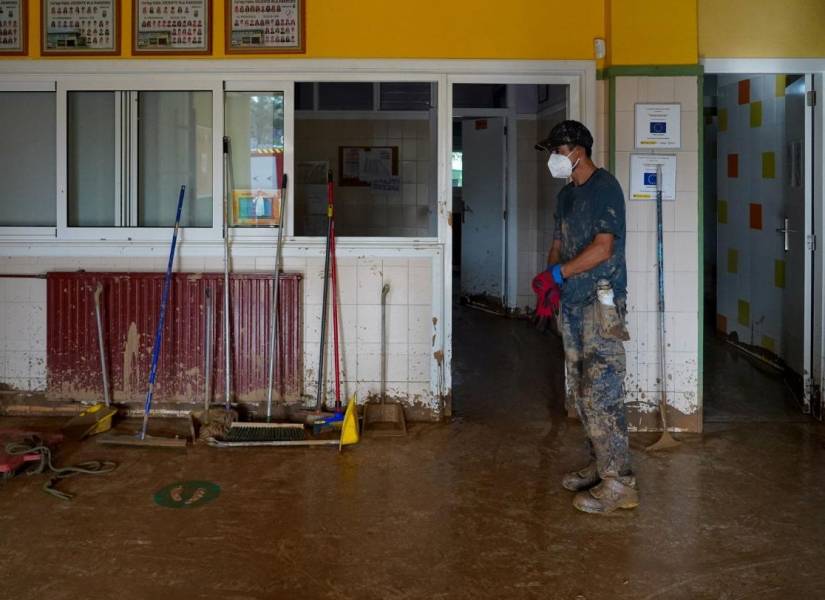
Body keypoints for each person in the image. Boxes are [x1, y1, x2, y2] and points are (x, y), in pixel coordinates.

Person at [536, 120, 638, 514]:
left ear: (577, 150)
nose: (553, 159)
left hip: (600, 303)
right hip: (572, 304)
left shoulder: (604, 188)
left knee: (603, 389)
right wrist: (550, 282)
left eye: (557, 152)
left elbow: (603, 248)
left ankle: (621, 483)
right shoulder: (566, 196)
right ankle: (601, 464)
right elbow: (558, 243)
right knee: (580, 388)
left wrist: (561, 273)